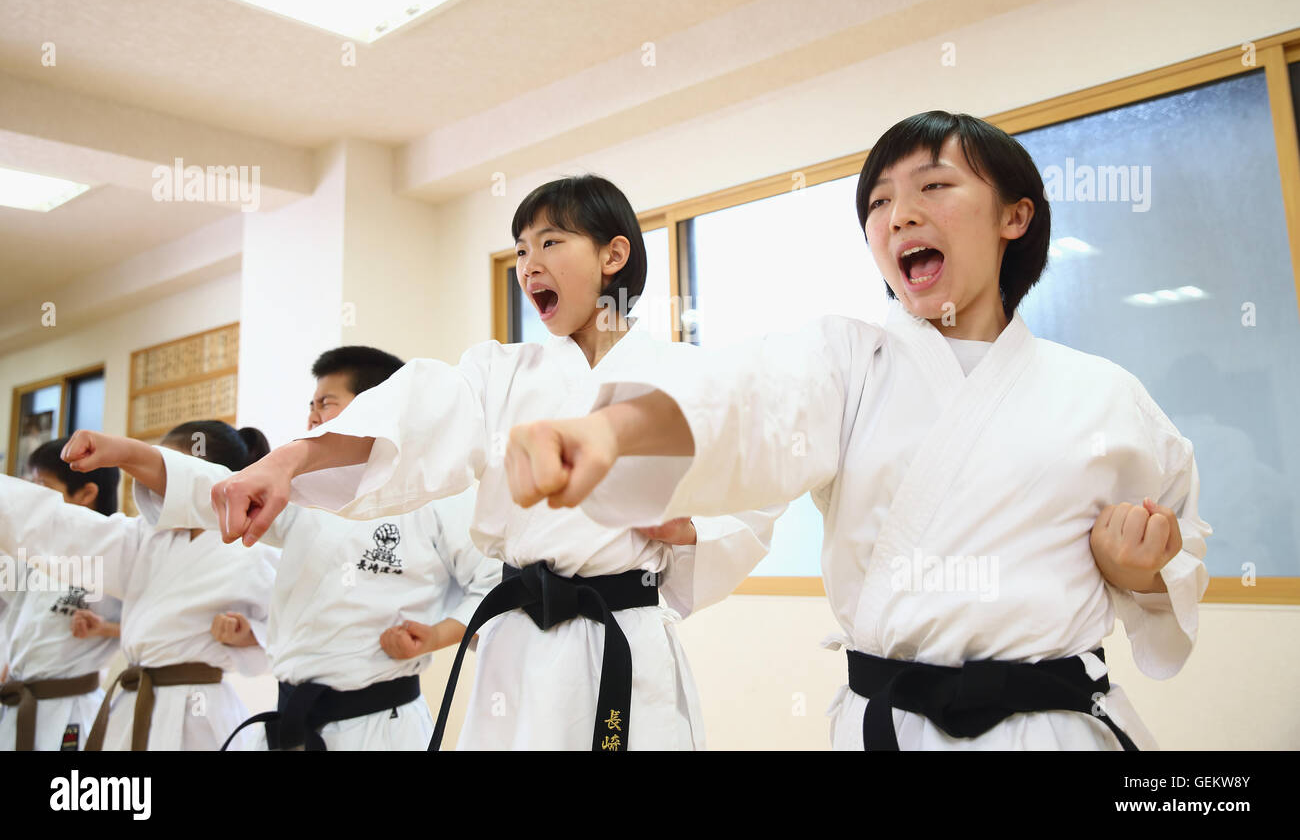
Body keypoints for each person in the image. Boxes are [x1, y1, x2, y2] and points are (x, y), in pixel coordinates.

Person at [501, 112, 1212, 750]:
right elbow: (750, 402)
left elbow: (1178, 554)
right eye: (878, 202)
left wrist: (1138, 570)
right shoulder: (848, 361)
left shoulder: (1106, 395)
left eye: (933, 187)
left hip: (1056, 730)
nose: (899, 215)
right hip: (892, 726)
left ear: (1014, 217)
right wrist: (618, 435)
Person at [209, 175, 785, 750]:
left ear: (613, 255)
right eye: (521, 250)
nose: (529, 264)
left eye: (551, 242)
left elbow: (756, 478)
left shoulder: (682, 373)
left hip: (626, 636)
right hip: (521, 644)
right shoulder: (499, 374)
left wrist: (687, 530)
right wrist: (289, 461)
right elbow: (411, 416)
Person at [67, 346, 500, 750]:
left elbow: (491, 587)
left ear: (379, 404)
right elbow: (215, 487)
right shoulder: (305, 490)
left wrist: (434, 637)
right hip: (293, 719)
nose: (313, 416)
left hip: (382, 726)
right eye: (311, 405)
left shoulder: (441, 492)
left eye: (326, 402)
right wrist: (127, 454)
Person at [0, 421, 277, 750]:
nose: (155, 479)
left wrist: (248, 635)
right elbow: (59, 527)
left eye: (168, 467)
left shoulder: (253, 549)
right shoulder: (144, 538)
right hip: (132, 706)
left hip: (200, 710)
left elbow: (287, 632)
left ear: (206, 476)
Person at [0, 440, 123, 751]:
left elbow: (155, 626)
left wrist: (106, 629)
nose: (31, 495)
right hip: (16, 701)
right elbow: (17, 620)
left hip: (72, 707)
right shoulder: (31, 555)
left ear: (86, 495)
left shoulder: (116, 556)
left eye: (41, 486)